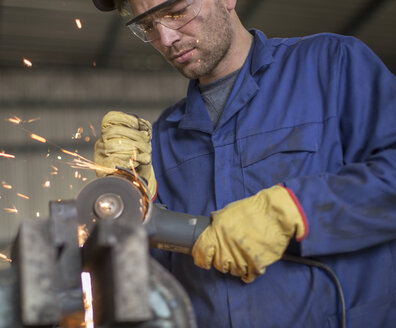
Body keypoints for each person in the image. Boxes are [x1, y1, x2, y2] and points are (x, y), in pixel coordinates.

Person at [92, 0, 396, 326]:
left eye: (176, 12)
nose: (165, 38)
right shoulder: (163, 139)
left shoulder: (332, 65)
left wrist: (294, 211)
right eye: (148, 25)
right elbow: (152, 286)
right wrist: (131, 201)